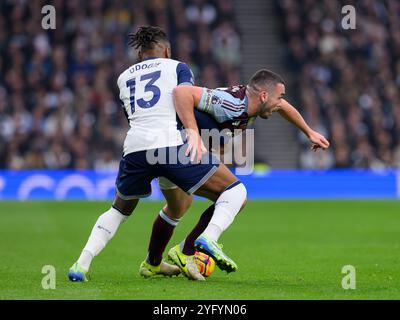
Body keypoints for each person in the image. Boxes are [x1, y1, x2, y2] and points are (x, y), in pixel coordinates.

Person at [67, 26, 247, 282]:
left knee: (123, 209)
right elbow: (186, 101)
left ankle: (82, 264)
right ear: (167, 50)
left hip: (136, 148)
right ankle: (203, 241)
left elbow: (133, 116)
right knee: (235, 192)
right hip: (171, 145)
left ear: (141, 54)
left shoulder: (122, 77)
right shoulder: (178, 67)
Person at [159, 69, 330, 273]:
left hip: (177, 149)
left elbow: (284, 107)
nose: (280, 104)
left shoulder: (256, 103)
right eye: (279, 97)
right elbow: (181, 93)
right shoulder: (230, 103)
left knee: (180, 206)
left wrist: (309, 132)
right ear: (264, 96)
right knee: (234, 195)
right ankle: (188, 249)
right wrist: (194, 133)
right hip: (177, 147)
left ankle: (153, 263)